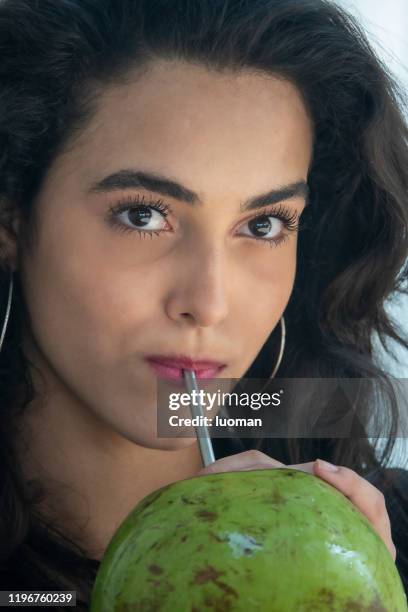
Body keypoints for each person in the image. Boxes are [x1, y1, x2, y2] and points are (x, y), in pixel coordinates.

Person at [0, 0, 407, 609]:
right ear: (13, 219)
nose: (209, 303)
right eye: (143, 215)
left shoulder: (385, 538)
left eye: (264, 225)